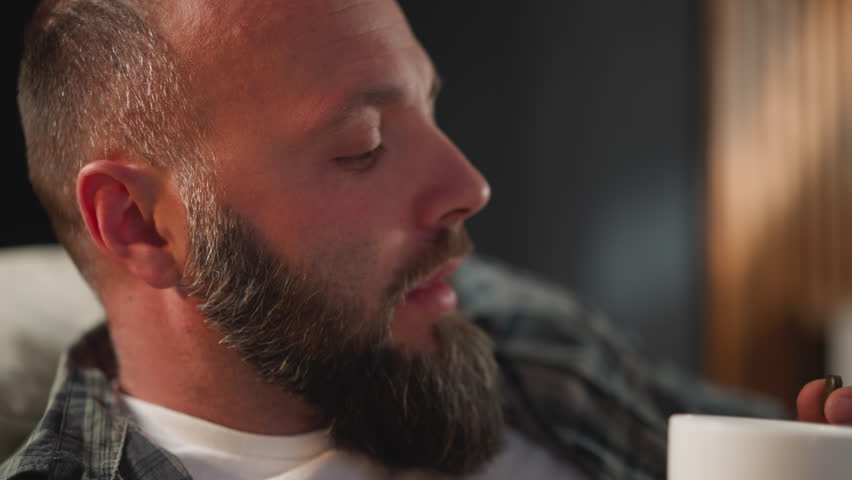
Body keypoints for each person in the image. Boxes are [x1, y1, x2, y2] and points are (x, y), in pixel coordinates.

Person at [3, 0, 851, 479]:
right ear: (140, 223)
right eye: (363, 146)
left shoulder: (508, 329)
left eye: (429, 107)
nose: (469, 188)